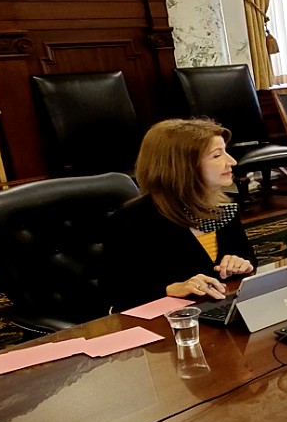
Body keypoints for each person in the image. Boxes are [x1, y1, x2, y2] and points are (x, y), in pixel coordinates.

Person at [104, 118, 257, 311]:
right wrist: (170, 288)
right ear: (183, 166)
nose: (232, 161)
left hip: (215, 309)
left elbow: (246, 255)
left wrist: (242, 263)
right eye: (217, 156)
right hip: (168, 322)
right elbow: (118, 293)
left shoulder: (221, 206)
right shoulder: (131, 220)